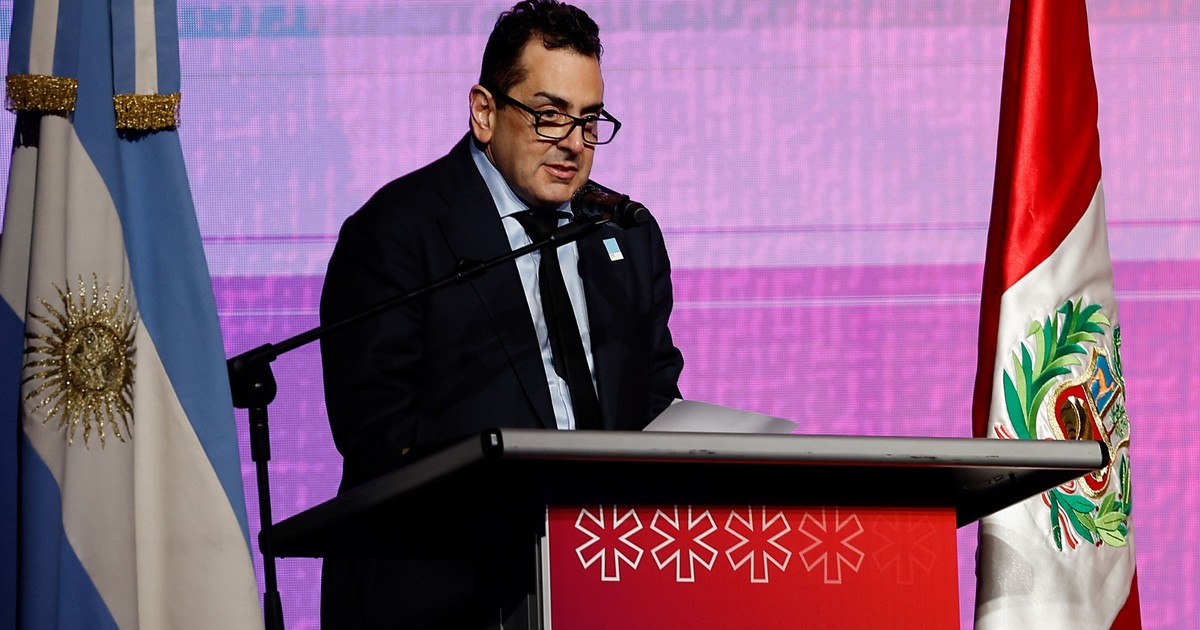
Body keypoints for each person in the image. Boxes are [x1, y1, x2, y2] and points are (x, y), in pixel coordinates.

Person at [318, 1, 685, 627]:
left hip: (599, 583)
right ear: (485, 112)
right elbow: (375, 432)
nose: (573, 143)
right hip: (445, 593)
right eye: (549, 115)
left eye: (589, 120)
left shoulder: (625, 234)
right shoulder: (399, 230)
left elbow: (653, 399)